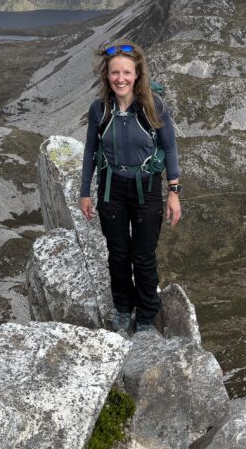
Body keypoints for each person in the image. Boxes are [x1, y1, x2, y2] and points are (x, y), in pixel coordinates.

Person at [79, 41, 181, 334]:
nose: (120, 79)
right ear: (106, 76)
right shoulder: (99, 109)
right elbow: (90, 151)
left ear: (137, 75)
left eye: (126, 73)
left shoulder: (153, 106)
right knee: (118, 253)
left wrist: (174, 193)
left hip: (146, 188)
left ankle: (147, 313)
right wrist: (85, 192)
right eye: (114, 73)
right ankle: (124, 308)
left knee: (143, 255)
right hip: (111, 189)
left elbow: (170, 148)